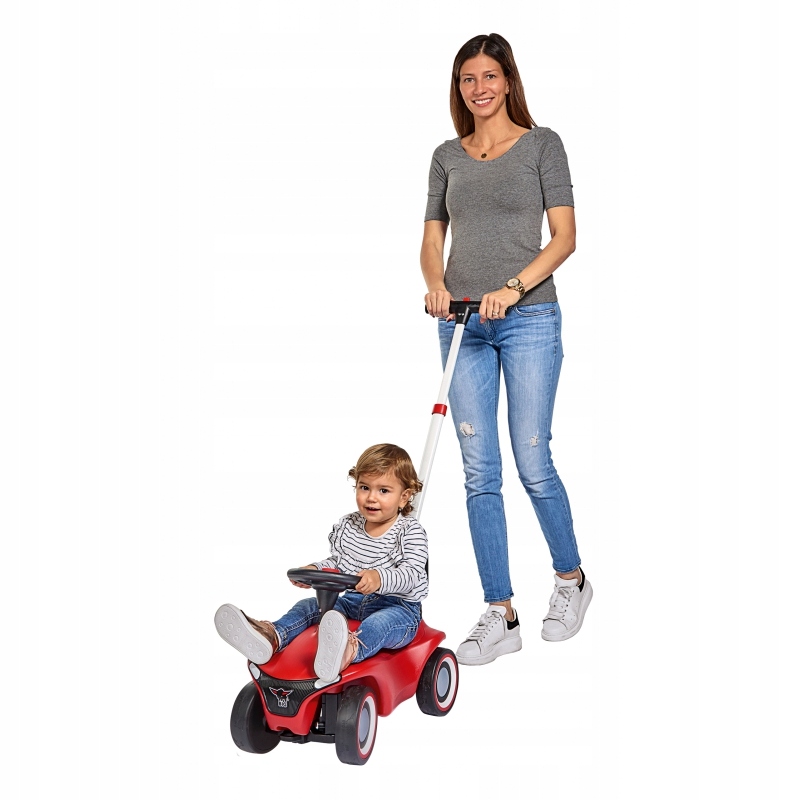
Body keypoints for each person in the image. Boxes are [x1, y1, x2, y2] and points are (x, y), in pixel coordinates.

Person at [420, 33, 593, 666]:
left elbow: (564, 236)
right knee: (479, 472)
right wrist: (436, 286)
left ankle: (571, 580)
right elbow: (432, 238)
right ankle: (502, 612)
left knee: (532, 459)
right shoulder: (446, 155)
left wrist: (513, 289)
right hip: (462, 323)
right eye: (467, 78)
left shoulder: (543, 145)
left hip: (529, 319)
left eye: (489, 76)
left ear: (508, 80)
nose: (479, 88)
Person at [214, 443, 427, 684]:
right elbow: (339, 562)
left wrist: (379, 578)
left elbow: (413, 573)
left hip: (399, 608)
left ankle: (346, 651)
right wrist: (316, 570)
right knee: (308, 606)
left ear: (404, 497)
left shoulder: (410, 531)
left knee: (378, 624)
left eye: (384, 490)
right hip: (353, 601)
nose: (371, 497)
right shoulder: (350, 525)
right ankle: (272, 636)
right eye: (364, 487)